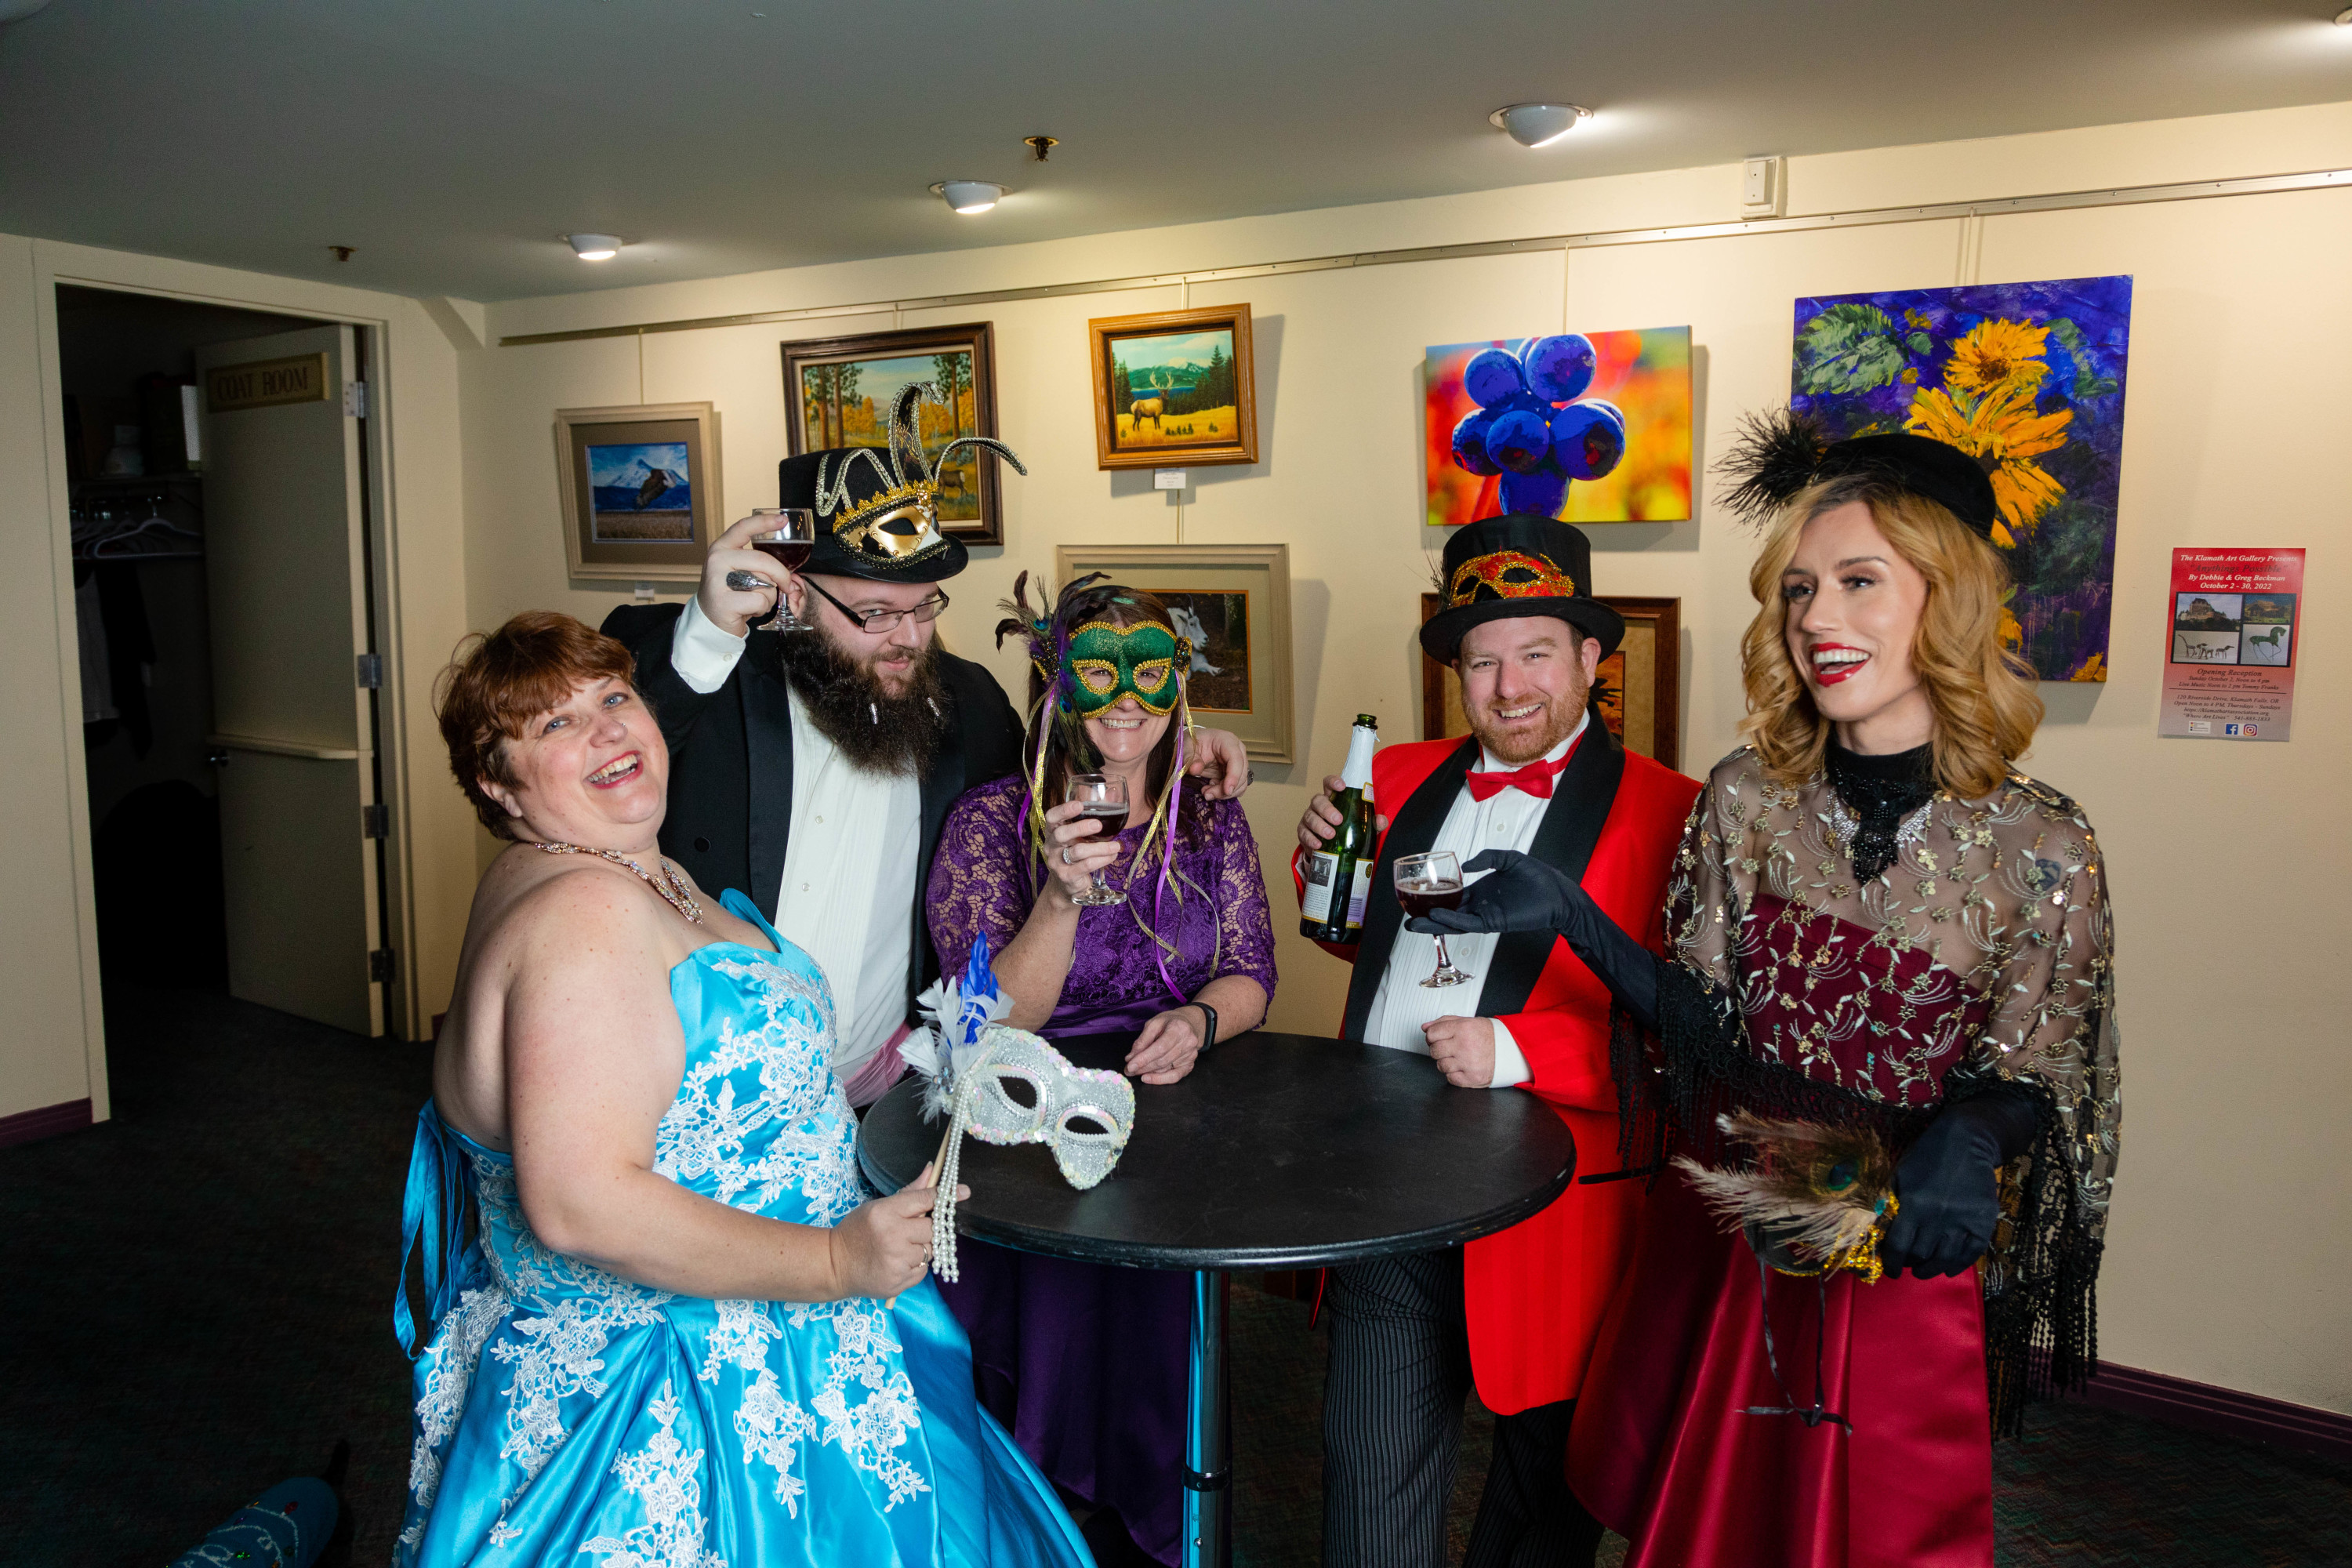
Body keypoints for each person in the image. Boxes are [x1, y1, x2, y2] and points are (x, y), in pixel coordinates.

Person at [1417, 417, 2122, 1568]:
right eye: (1799, 589)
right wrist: (1575, 917)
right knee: (1702, 1525)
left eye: (1858, 581)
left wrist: (1978, 1130)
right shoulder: (1746, 797)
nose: (1816, 618)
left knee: (1864, 1532)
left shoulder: (2042, 841)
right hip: (1728, 1236)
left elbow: (2041, 1063)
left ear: (1945, 595)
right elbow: (1703, 1025)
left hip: (1892, 1265)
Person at [394, 610, 1091, 1568]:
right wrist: (837, 1259)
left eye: (614, 696)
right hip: (677, 1384)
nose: (606, 729)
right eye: (555, 723)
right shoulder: (585, 910)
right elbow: (579, 1201)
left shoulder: (615, 870)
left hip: (777, 1337)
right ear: (496, 781)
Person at [602, 385, 1250, 1106]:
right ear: (794, 590)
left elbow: (1057, 763)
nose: (910, 638)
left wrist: (1183, 743)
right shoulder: (703, 667)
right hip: (685, 1095)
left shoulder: (968, 702)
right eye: (876, 613)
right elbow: (594, 770)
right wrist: (704, 632)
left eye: (926, 607)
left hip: (876, 1095)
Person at [1290, 514, 1700, 1568]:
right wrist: (1322, 881)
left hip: (1556, 1207)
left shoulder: (1679, 813)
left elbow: (1694, 1038)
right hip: (1384, 1183)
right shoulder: (1394, 779)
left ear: (1592, 659)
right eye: (1483, 661)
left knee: (1540, 1507)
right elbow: (1377, 951)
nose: (1509, 688)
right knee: (1369, 1479)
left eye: (1536, 654)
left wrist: (1520, 1053)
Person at [924, 575, 1277, 1567]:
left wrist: (1201, 1019)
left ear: (1179, 685)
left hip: (1166, 1127)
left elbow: (1253, 971)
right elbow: (981, 1017)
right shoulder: (990, 823)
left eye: (1150, 671)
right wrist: (1058, 898)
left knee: (1157, 1364)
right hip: (1026, 1129)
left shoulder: (1207, 816)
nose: (1126, 697)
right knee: (1047, 1357)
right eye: (1098, 671)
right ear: (1056, 683)